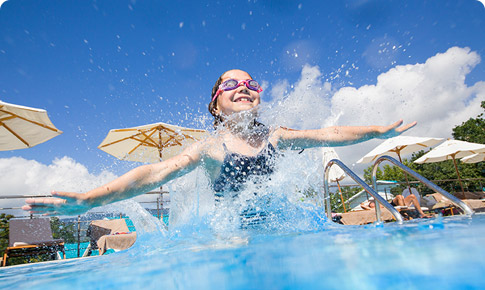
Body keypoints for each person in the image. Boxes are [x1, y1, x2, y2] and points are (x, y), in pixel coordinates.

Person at [22, 69, 416, 216]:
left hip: (284, 228)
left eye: (250, 84)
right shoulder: (210, 148)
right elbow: (155, 172)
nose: (243, 88)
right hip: (231, 238)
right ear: (215, 103)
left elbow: (329, 134)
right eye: (231, 84)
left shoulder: (277, 136)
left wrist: (377, 132)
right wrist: (93, 199)